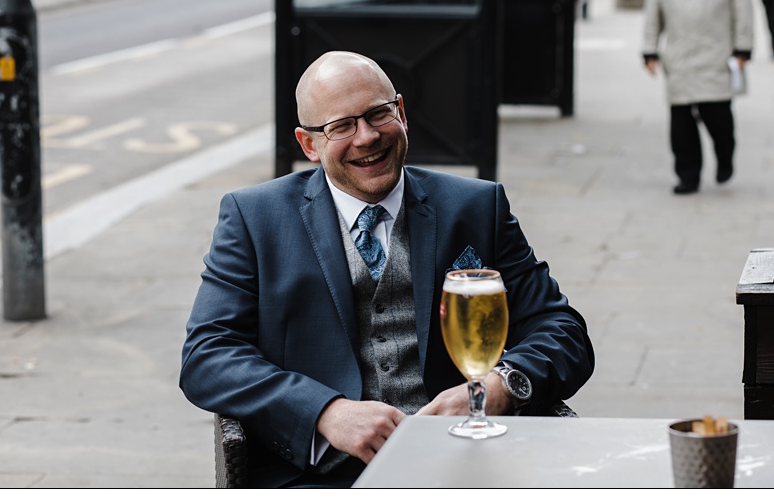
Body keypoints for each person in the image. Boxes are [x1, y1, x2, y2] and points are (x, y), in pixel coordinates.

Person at [181, 51, 593, 487]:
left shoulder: (476, 208)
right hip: (318, 479)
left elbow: (563, 331)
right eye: (341, 126)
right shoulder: (253, 218)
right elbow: (207, 354)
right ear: (309, 145)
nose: (366, 137)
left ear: (401, 112)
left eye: (379, 114)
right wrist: (324, 411)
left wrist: (500, 387)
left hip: (467, 467)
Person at [642, 0, 755, 194]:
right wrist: (650, 51)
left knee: (718, 118)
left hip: (717, 53)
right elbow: (652, 14)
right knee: (681, 125)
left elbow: (743, 9)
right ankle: (687, 176)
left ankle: (725, 157)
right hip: (678, 56)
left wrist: (743, 48)